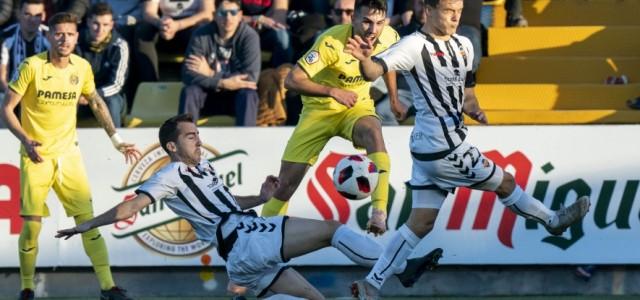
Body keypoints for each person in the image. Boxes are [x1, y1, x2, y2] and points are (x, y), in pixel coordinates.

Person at [345, 0, 590, 298]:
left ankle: (372, 284)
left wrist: (476, 110)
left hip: (428, 150)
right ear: (428, 9)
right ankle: (551, 220)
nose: (455, 16)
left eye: (459, 10)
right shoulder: (413, 46)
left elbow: (469, 95)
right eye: (448, 10)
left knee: (420, 223)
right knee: (506, 183)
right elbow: (374, 71)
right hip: (443, 147)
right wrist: (364, 59)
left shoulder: (464, 45)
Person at [55, 113, 444, 299]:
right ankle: (399, 268)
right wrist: (85, 224)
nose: (197, 139)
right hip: (244, 239)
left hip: (240, 251)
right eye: (190, 136)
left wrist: (260, 197)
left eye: (197, 133)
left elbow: (225, 201)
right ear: (172, 146)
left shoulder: (202, 165)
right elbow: (129, 209)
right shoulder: (168, 175)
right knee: (330, 230)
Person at [0, 12, 140, 300]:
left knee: (88, 222)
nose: (65, 39)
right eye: (59, 33)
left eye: (71, 34)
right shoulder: (31, 66)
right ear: (49, 35)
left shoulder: (82, 67)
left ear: (78, 37)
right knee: (31, 227)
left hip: (68, 157)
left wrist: (116, 139)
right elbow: (7, 108)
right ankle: (27, 287)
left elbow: (98, 102)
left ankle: (108, 287)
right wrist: (26, 140)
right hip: (36, 156)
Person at [259, 0, 400, 236]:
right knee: (285, 186)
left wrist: (394, 99)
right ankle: (261, 238)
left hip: (356, 106)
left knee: (374, 131)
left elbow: (389, 64)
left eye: (378, 23)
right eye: (366, 21)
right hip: (319, 112)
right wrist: (332, 91)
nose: (372, 30)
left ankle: (379, 213)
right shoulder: (331, 41)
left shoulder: (389, 36)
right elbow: (292, 80)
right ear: (354, 19)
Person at [178, 0, 260, 126]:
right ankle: (185, 139)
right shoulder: (201, 35)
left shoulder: (249, 36)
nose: (228, 18)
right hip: (207, 96)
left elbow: (250, 78)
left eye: (233, 13)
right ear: (215, 14)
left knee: (249, 95)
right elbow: (188, 74)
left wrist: (211, 73)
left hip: (235, 98)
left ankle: (246, 143)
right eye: (223, 13)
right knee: (190, 91)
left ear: (240, 15)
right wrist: (222, 82)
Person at [76, 2, 129, 127]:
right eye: (96, 23)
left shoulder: (119, 46)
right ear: (88, 22)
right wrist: (77, 94)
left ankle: (116, 142)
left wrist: (91, 94)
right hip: (80, 96)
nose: (100, 29)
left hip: (106, 96)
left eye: (105, 24)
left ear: (112, 25)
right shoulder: (75, 42)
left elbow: (117, 84)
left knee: (112, 101)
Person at [135, 0, 214, 82]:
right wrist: (161, 24)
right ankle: (149, 82)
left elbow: (207, 13)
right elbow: (148, 12)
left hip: (191, 23)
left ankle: (194, 81)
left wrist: (178, 25)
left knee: (200, 33)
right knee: (143, 31)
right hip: (165, 23)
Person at [0, 0, 49, 128]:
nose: (32, 20)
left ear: (43, 16)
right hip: (11, 93)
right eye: (27, 14)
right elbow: (2, 77)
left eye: (37, 15)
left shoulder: (50, 36)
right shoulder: (5, 36)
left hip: (43, 95)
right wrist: (15, 96)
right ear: (19, 14)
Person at [240, 0, 291, 67]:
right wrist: (255, 19)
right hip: (240, 29)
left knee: (282, 36)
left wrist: (268, 22)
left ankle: (281, 73)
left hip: (265, 30)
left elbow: (279, 18)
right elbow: (227, 16)